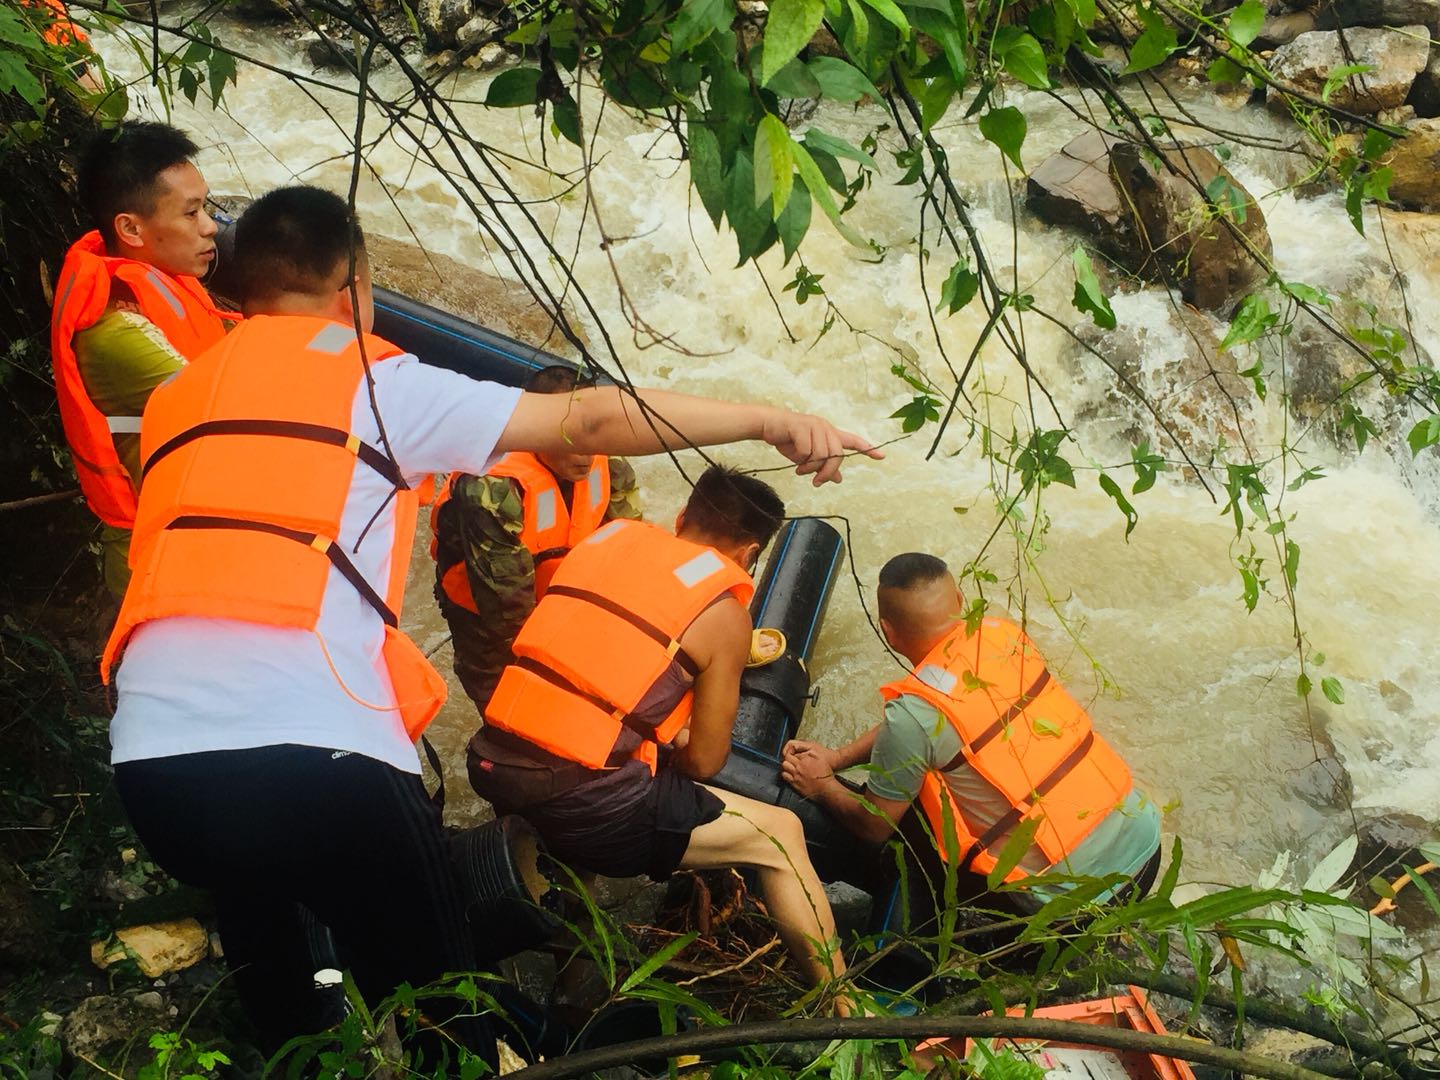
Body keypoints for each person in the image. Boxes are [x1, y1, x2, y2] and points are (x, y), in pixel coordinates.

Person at [100, 185, 876, 1059]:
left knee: (280, 959)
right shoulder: (375, 381)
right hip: (318, 757)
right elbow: (589, 415)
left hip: (154, 771)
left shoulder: (174, 396)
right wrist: (773, 418)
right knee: (444, 994)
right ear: (353, 286)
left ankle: (312, 1038)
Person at [469, 468, 848, 1006]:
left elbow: (601, 668)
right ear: (748, 553)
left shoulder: (603, 542)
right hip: (579, 796)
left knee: (599, 779)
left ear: (680, 518)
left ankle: (573, 975)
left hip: (494, 760)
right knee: (781, 835)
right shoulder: (724, 615)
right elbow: (706, 761)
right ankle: (843, 1003)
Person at [782, 552, 1161, 922]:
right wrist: (839, 756)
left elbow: (874, 824)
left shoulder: (913, 715)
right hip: (1147, 852)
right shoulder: (1001, 637)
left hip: (1070, 906)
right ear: (962, 603)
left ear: (889, 632)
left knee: (910, 822)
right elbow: (941, 723)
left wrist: (821, 785)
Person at [50, 121, 233, 595]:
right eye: (191, 213)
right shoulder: (118, 331)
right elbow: (238, 415)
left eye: (206, 207)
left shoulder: (160, 278)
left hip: (191, 539)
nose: (211, 226)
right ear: (130, 228)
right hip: (156, 568)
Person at [431, 364, 643, 711]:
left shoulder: (607, 458)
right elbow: (507, 609)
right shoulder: (493, 487)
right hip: (489, 620)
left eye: (593, 430)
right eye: (572, 435)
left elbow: (630, 548)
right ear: (537, 427)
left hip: (563, 594)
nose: (587, 453)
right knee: (507, 702)